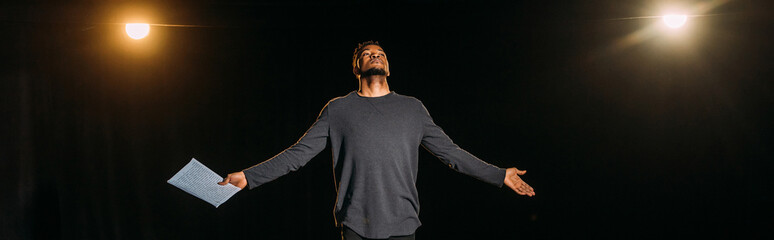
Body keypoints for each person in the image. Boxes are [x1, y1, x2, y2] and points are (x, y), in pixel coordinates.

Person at [218, 41, 535, 239]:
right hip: (357, 224)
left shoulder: (412, 108)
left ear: (388, 65)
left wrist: (498, 174)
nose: (375, 56)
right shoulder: (338, 109)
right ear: (357, 67)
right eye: (367, 54)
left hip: (403, 222)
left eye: (380, 53)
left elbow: (451, 153)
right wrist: (248, 177)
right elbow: (297, 155)